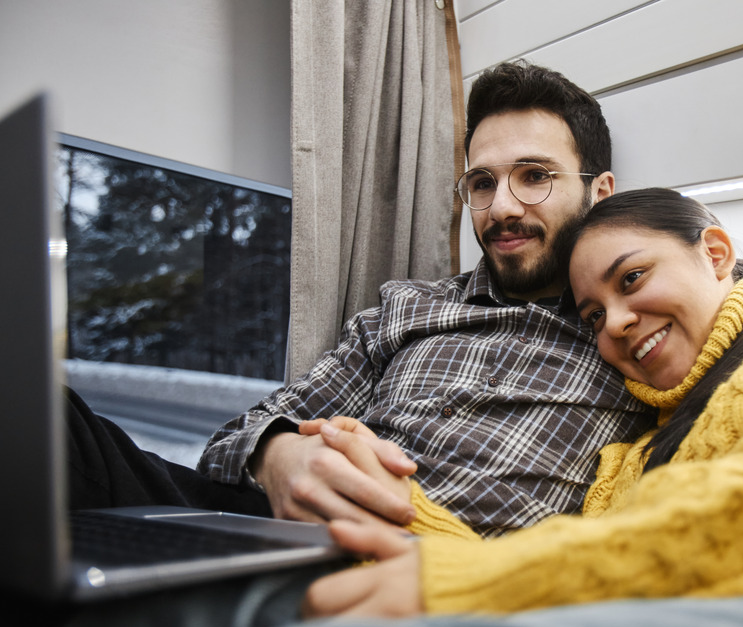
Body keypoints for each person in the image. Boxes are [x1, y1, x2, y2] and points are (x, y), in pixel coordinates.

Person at [30, 188, 743, 627]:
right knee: (155, 594)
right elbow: (582, 551)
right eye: (593, 315)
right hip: (672, 582)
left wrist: (480, 575)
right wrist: (357, 476)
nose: (615, 324)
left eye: (630, 282)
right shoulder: (627, 460)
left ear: (715, 250)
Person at [67, 60, 655, 538]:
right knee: (59, 425)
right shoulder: (405, 309)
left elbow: (736, 305)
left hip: (433, 564)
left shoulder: (640, 316)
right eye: (482, 183)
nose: (501, 206)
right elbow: (233, 437)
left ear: (599, 192)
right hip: (286, 528)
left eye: (533, 176)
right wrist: (278, 458)